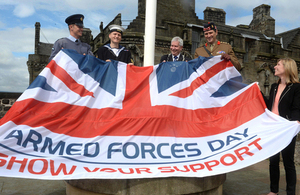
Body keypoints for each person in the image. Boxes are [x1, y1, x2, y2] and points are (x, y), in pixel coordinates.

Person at [265, 58, 300, 195]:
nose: (275, 67)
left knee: (288, 162)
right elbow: (269, 105)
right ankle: (273, 191)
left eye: (278, 65)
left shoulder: (296, 88)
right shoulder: (274, 86)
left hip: (286, 129)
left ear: (286, 68)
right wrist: (256, 92)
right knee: (273, 161)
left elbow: (297, 108)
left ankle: (290, 192)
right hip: (272, 128)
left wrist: (296, 121)